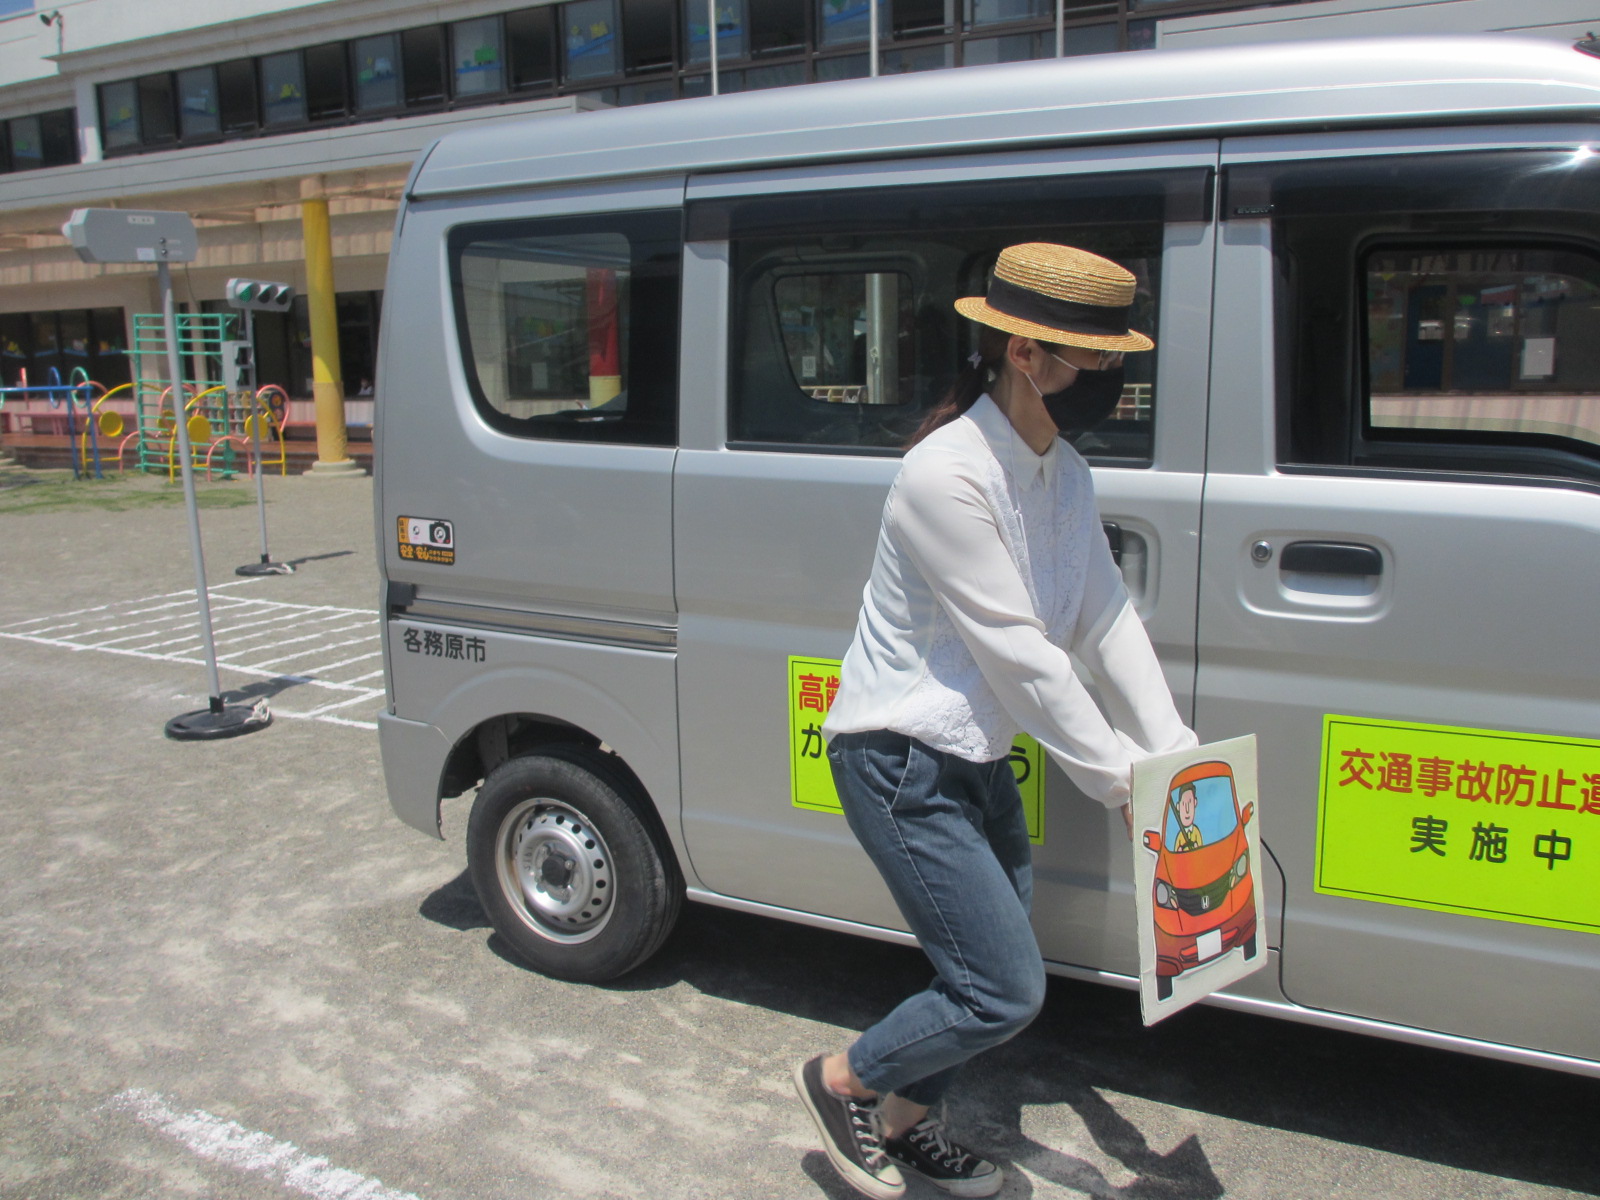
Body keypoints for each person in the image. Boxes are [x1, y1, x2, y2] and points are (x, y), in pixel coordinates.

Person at [792, 243, 1198, 1200]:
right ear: (1024, 351)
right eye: (1093, 359)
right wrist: (1124, 780)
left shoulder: (1065, 474)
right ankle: (843, 1078)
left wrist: (1174, 749)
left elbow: (1103, 617)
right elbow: (1021, 654)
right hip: (898, 762)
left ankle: (902, 1116)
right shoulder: (947, 474)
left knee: (986, 977)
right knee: (1002, 988)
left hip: (975, 762)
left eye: (1112, 359)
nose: (1108, 378)